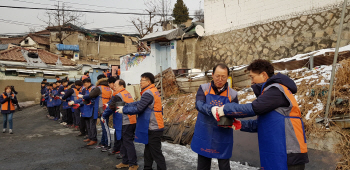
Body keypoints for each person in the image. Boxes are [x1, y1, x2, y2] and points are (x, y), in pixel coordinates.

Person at [214, 59, 309, 170]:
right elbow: (263, 124)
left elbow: (254, 108)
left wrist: (225, 109)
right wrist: (240, 124)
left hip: (289, 155)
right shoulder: (270, 93)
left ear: (264, 75)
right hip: (277, 153)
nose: (251, 82)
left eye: (252, 77)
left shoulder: (276, 90)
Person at [190, 64, 239, 170]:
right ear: (212, 75)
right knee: (203, 166)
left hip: (223, 135)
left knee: (224, 166)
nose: (220, 79)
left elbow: (235, 111)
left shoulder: (233, 94)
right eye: (217, 76)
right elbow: (199, 104)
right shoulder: (204, 88)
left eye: (223, 77)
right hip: (205, 133)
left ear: (227, 77)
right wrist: (212, 109)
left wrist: (234, 118)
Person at [121, 72, 166, 170]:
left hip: (154, 127)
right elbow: (139, 103)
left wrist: (123, 110)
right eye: (140, 80)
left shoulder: (148, 93)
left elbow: (139, 108)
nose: (140, 82)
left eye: (142, 80)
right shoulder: (151, 91)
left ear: (148, 81)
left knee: (156, 153)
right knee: (148, 152)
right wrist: (127, 105)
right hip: (152, 126)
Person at [102, 79, 138, 170]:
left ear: (121, 86)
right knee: (124, 142)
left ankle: (133, 164)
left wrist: (104, 115)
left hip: (126, 121)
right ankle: (125, 162)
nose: (114, 87)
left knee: (127, 142)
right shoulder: (126, 93)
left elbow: (111, 107)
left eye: (116, 85)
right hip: (131, 119)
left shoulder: (118, 95)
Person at [83, 74, 112, 147]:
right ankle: (102, 142)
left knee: (104, 127)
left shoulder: (98, 88)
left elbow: (90, 95)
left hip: (100, 108)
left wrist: (83, 97)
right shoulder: (108, 88)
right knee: (104, 126)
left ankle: (106, 143)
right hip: (107, 107)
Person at [106, 77, 122, 156]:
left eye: (110, 84)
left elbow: (112, 105)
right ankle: (117, 148)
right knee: (118, 132)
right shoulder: (118, 93)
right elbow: (111, 102)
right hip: (119, 115)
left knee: (120, 133)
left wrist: (104, 114)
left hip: (120, 116)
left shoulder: (118, 94)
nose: (110, 86)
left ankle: (119, 150)